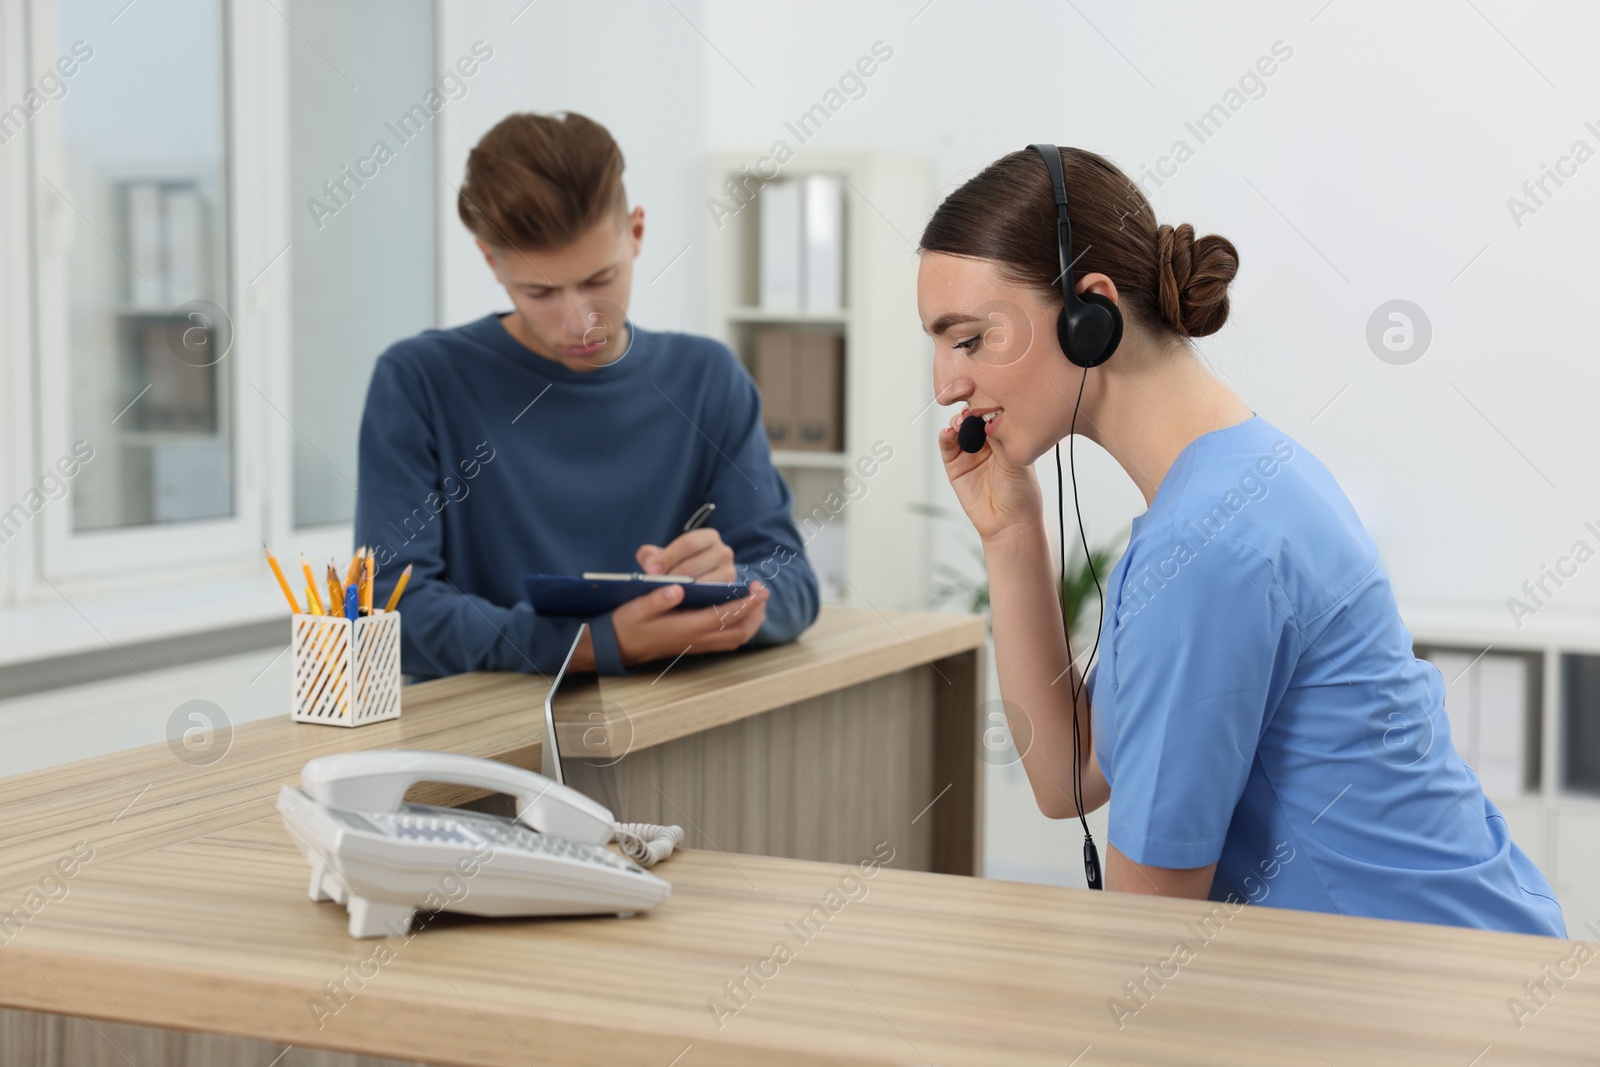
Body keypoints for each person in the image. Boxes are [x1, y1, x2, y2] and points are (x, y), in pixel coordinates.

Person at [916, 144, 1565, 937]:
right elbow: (1068, 778)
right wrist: (1011, 529)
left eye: (970, 338)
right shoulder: (1231, 484)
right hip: (1458, 969)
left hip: (1439, 1007)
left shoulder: (1209, 545)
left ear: (1091, 313)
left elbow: (1144, 940)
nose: (946, 383)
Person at [354, 111, 818, 680]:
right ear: (489, 261)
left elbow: (793, 582)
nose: (580, 321)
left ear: (637, 233)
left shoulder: (707, 378)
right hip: (480, 741)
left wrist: (740, 591)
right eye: (540, 291)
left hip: (670, 728)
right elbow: (392, 612)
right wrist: (594, 644)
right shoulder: (419, 380)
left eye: (600, 279)